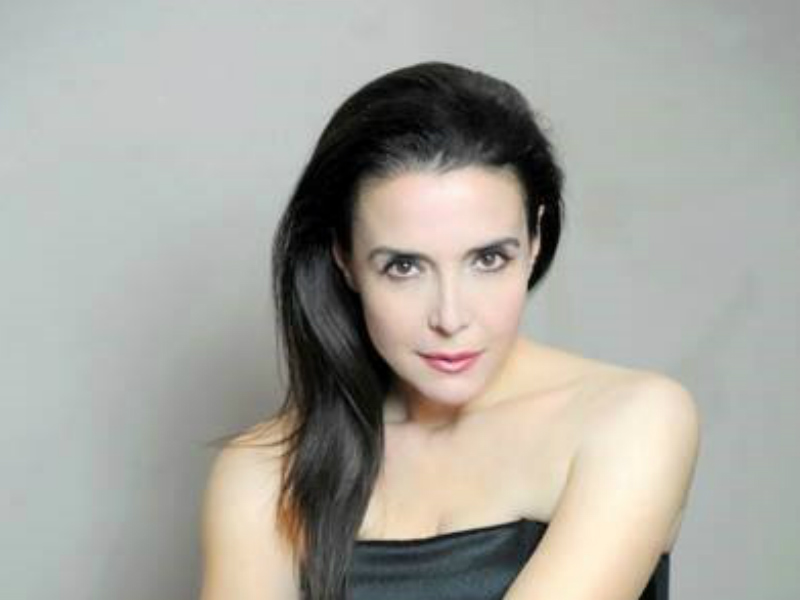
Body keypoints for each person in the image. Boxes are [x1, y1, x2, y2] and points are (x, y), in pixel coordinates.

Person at [198, 61, 701, 600]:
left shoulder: (630, 419)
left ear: (534, 238)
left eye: (488, 259)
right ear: (344, 257)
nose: (451, 317)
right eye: (404, 267)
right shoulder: (264, 472)